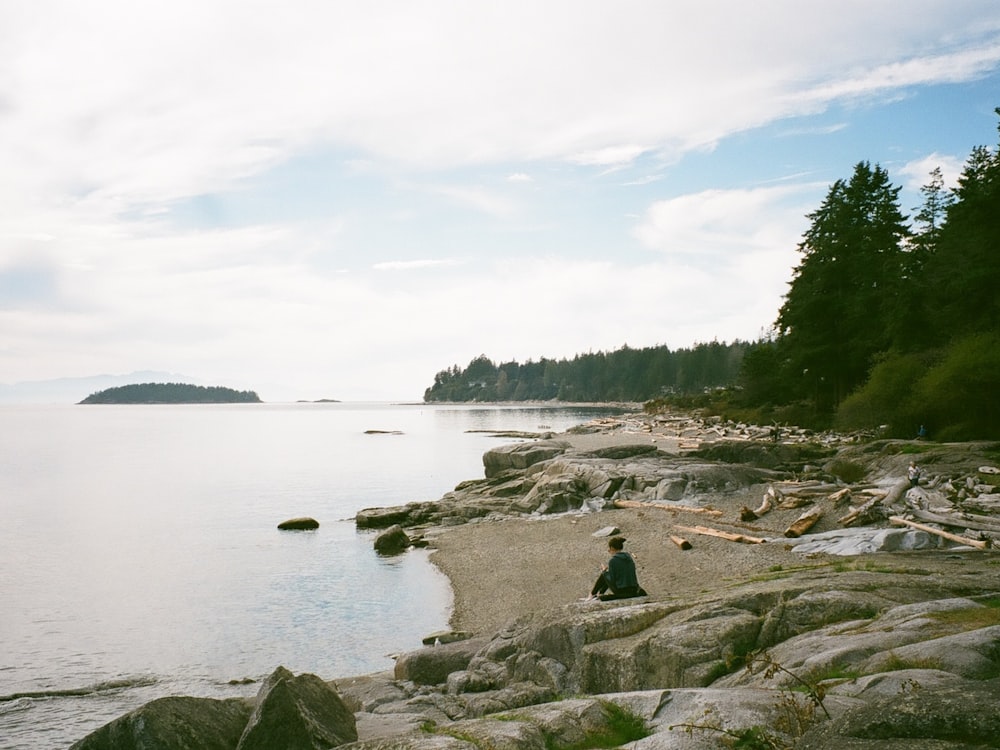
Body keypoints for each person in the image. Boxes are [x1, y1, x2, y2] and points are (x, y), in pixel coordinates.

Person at [585, 536, 647, 601]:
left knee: (604, 574)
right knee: (606, 574)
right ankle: (600, 593)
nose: (608, 550)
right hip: (634, 589)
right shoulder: (629, 558)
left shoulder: (613, 561)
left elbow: (612, 579)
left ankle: (592, 594)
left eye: (609, 548)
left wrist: (604, 572)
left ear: (612, 548)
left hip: (621, 591)